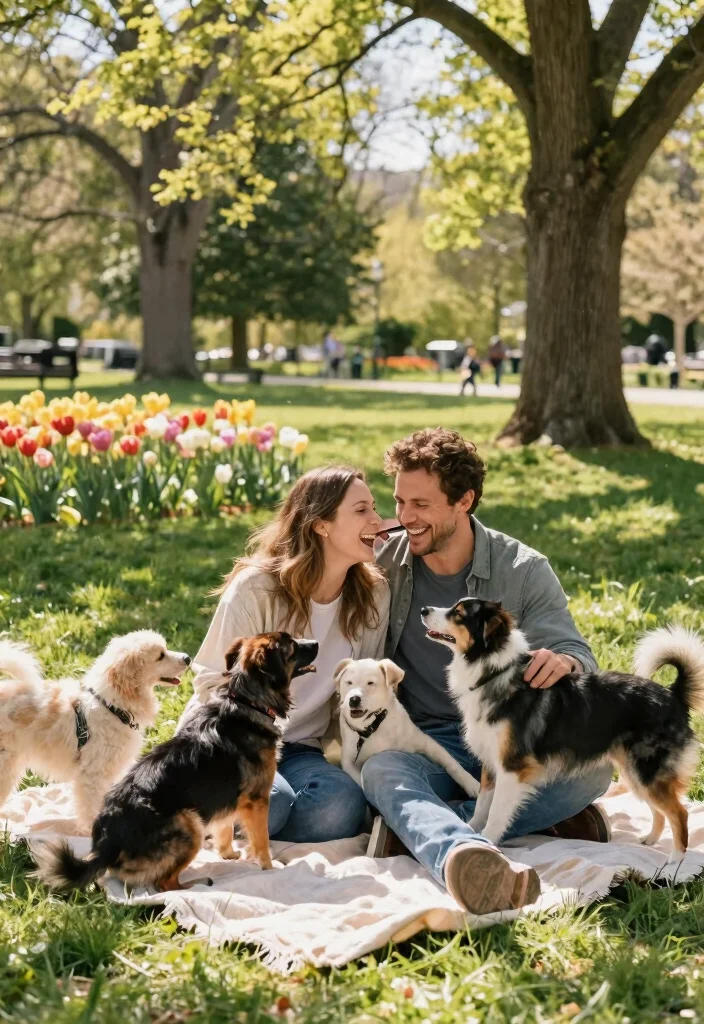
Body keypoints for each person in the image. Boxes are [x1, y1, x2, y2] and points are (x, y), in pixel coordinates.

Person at [363, 428, 612, 916]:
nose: (405, 517)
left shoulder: (522, 569)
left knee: (595, 771)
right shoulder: (384, 561)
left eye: (421, 504)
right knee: (381, 770)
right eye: (399, 501)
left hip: (505, 739)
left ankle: (422, 834)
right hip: (424, 738)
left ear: (464, 501)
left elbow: (574, 648)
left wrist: (565, 662)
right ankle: (468, 849)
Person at [181, 466, 389, 842]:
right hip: (230, 740)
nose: (377, 520)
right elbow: (213, 681)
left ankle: (230, 822)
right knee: (270, 803)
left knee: (341, 807)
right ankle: (212, 806)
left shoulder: (373, 595)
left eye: (374, 508)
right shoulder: (256, 588)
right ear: (321, 525)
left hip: (297, 748)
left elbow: (363, 689)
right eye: (361, 511)